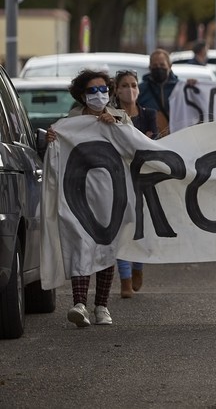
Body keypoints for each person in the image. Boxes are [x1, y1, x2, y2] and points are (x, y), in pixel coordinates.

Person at [47, 69, 134, 327]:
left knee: (106, 246)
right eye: (92, 91)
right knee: (80, 244)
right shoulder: (69, 124)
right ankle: (79, 304)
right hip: (79, 195)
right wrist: (52, 139)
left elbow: (133, 150)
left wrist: (116, 127)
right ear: (82, 96)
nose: (99, 95)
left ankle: (102, 306)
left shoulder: (121, 118)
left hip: (111, 195)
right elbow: (57, 154)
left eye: (103, 89)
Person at [112, 69, 158, 298]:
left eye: (133, 85)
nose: (130, 90)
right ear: (116, 90)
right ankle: (125, 279)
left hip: (145, 178)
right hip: (119, 178)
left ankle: (138, 266)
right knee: (123, 227)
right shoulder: (111, 116)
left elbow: (154, 143)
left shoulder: (149, 114)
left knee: (142, 227)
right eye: (124, 85)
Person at [138, 48, 179, 138]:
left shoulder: (180, 88)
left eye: (162, 65)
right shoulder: (140, 90)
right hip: (150, 139)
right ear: (150, 67)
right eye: (155, 65)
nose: (159, 68)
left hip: (177, 138)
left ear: (170, 66)